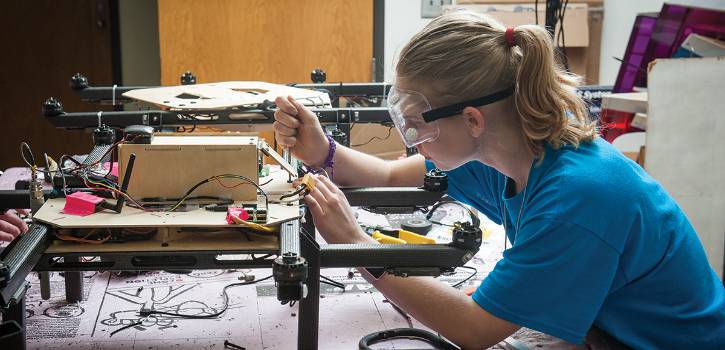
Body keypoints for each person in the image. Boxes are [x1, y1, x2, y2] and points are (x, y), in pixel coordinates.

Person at [273, 11, 725, 349]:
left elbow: (474, 328)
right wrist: (321, 152)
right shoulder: (506, 151)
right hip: (608, 329)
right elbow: (390, 174)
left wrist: (357, 243)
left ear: (472, 119)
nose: (412, 139)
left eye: (416, 125)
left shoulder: (579, 196)